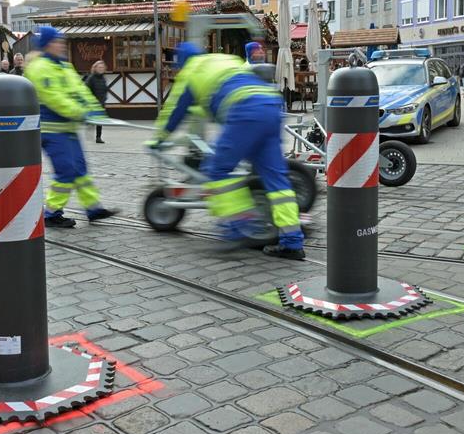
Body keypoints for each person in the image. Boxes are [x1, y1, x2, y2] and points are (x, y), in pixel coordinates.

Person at [150, 42, 304, 260]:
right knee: (276, 180)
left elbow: (176, 112)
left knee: (216, 169)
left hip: (245, 111)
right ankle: (292, 242)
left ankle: (238, 227)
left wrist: (158, 139)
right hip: (270, 106)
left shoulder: (191, 72)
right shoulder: (226, 60)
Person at [25, 27, 116, 227]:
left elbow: (81, 90)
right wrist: (80, 112)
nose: (61, 44)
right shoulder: (39, 68)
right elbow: (54, 98)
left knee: (81, 170)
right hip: (51, 130)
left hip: (68, 129)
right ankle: (51, 213)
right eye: (57, 41)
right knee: (66, 171)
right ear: (48, 44)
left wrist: (96, 111)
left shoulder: (64, 66)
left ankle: (93, 208)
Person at [85, 60, 109, 144]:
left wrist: (105, 98)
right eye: (99, 67)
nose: (101, 69)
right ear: (95, 68)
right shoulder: (91, 78)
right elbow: (86, 90)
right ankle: (88, 124)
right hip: (93, 102)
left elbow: (105, 89)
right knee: (93, 119)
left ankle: (98, 137)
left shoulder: (103, 78)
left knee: (100, 121)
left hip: (101, 102)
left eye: (102, 67)